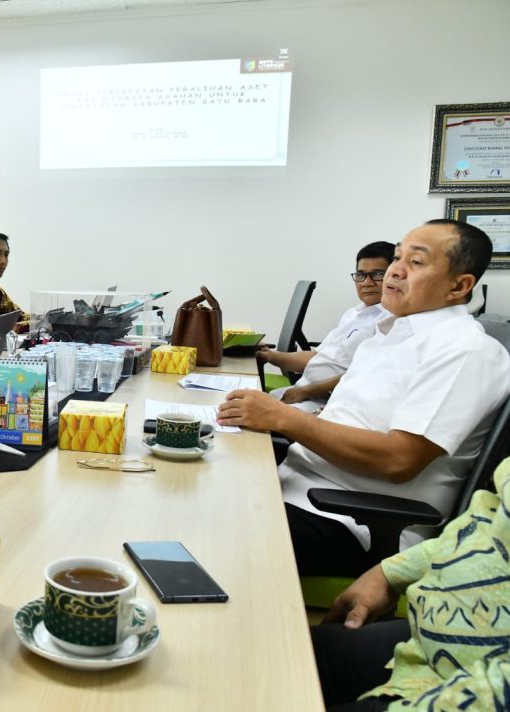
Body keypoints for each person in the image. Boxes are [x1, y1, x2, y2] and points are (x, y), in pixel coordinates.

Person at [218, 220, 510, 576]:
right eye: (397, 257)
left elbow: (399, 460)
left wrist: (284, 417)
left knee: (197, 524)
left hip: (352, 521)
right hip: (298, 488)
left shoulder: (464, 350)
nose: (395, 271)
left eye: (416, 263)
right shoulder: (389, 334)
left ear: (459, 285)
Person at [310, 457, 510, 711]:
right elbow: (484, 522)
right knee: (279, 658)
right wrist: (389, 573)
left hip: (480, 695)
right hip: (426, 648)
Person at [260, 241, 394, 412]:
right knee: (233, 402)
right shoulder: (353, 314)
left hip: (328, 403)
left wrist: (305, 392)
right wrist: (270, 356)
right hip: (303, 393)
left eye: (377, 274)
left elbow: (362, 376)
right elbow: (318, 356)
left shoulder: (390, 322)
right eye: (360, 275)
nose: (366, 283)